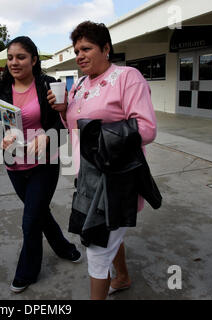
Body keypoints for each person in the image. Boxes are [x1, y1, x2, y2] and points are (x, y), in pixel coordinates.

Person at [48, 21, 157, 300]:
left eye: (86, 48)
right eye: (76, 50)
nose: (80, 55)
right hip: (86, 177)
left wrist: (98, 140)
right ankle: (121, 277)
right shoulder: (80, 85)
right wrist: (63, 111)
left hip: (116, 179)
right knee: (109, 233)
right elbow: (75, 127)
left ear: (106, 48)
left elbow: (146, 128)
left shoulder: (127, 77)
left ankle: (111, 280)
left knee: (96, 247)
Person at [0, 36, 82, 294]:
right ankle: (63, 247)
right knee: (39, 213)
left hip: (44, 164)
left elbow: (65, 122)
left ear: (34, 60)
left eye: (21, 57)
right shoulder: (0, 90)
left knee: (30, 221)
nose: (14, 62)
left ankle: (27, 271)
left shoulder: (48, 85)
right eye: (11, 57)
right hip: (15, 167)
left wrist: (48, 135)